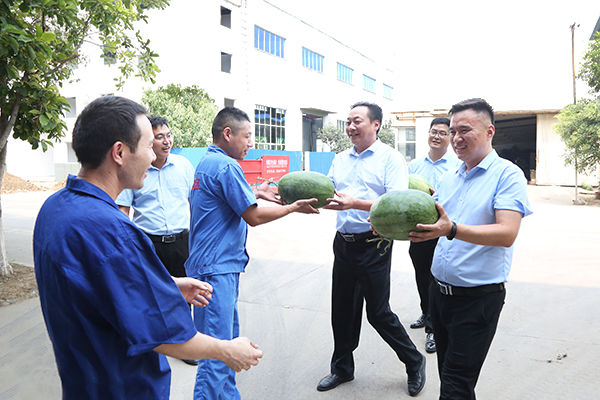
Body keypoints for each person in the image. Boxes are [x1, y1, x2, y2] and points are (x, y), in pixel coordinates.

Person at [33, 96, 263, 400]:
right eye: (147, 146)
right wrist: (226, 350)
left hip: (82, 383)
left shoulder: (57, 208)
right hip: (124, 387)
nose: (153, 155)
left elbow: (97, 287)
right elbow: (158, 331)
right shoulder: (114, 232)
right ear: (119, 153)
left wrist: (166, 284)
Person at [185, 107, 319, 400]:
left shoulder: (208, 162)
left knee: (229, 347)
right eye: (247, 137)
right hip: (215, 270)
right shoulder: (226, 166)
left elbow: (226, 198)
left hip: (214, 267)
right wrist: (293, 207)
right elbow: (253, 217)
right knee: (217, 353)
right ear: (228, 134)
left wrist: (255, 191)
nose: (250, 144)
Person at [409, 98, 532, 399]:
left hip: (477, 300)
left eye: (465, 130)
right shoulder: (450, 176)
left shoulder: (508, 175)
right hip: (439, 294)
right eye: (452, 131)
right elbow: (431, 220)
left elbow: (506, 233)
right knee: (449, 378)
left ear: (489, 131)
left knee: (455, 385)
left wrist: (451, 230)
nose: (455, 138)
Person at [317, 102, 426, 397]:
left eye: (357, 121)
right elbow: (328, 190)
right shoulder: (340, 159)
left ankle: (414, 362)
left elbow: (397, 202)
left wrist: (355, 203)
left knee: (378, 313)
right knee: (342, 310)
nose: (351, 127)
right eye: (348, 122)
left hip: (374, 243)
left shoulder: (391, 158)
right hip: (344, 242)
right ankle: (342, 368)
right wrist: (301, 198)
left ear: (376, 124)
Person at [116, 116, 198, 365]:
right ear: (148, 142)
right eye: (159, 137)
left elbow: (194, 203)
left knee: (184, 295)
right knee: (150, 293)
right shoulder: (136, 169)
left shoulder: (184, 166)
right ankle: (154, 343)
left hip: (181, 241)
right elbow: (123, 212)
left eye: (168, 135)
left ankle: (184, 345)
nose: (166, 141)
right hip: (149, 243)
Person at [407, 117, 460, 354]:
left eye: (442, 133)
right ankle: (426, 312)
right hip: (418, 229)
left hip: (443, 230)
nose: (437, 136)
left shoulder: (457, 165)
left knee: (437, 280)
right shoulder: (415, 165)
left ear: (450, 137)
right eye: (433, 132)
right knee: (422, 275)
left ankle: (433, 330)